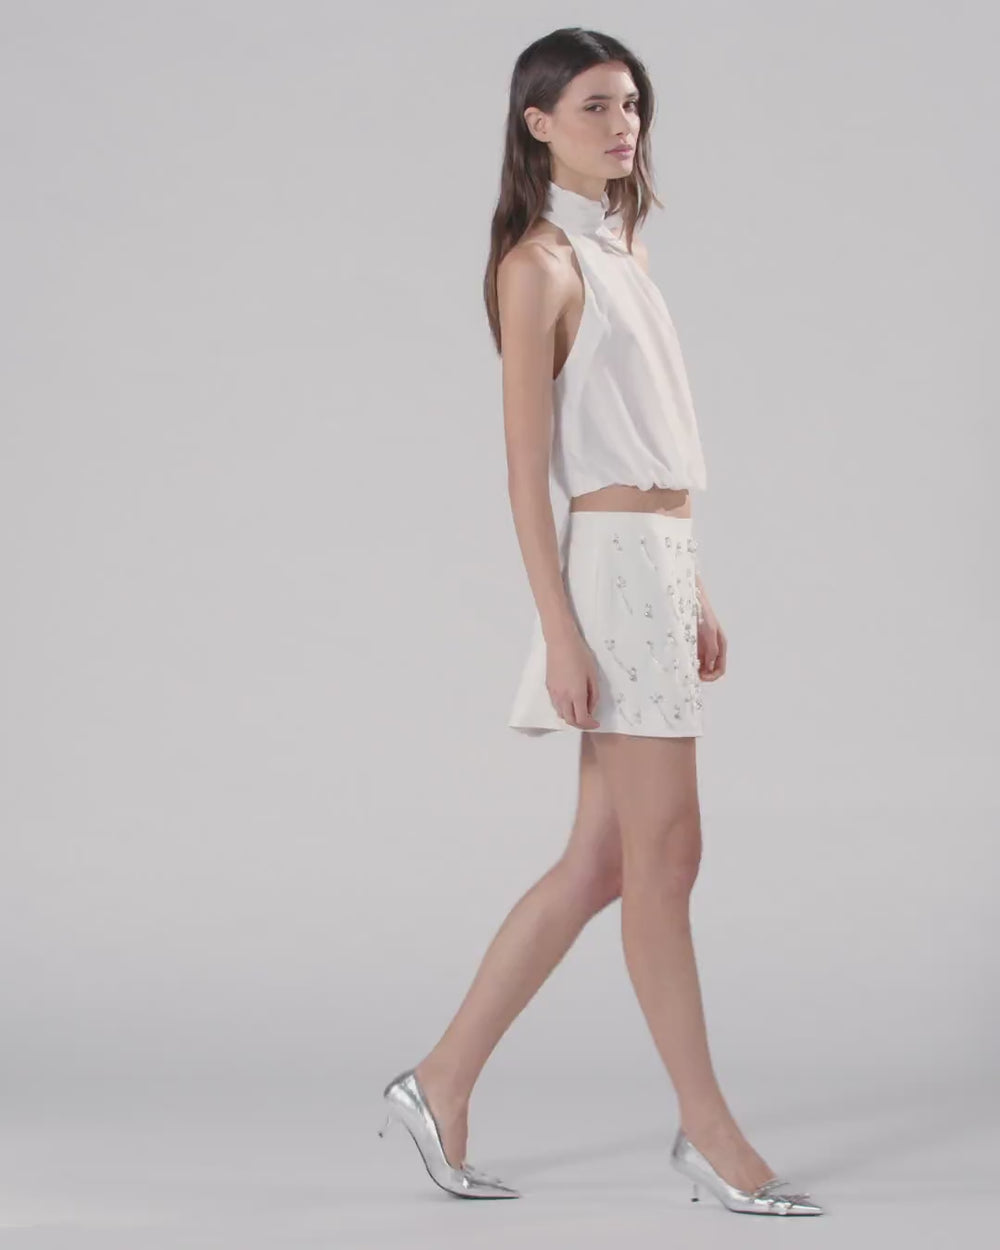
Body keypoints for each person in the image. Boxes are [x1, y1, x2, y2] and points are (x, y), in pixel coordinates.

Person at [378, 27, 825, 1217]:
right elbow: (528, 471)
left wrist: (696, 586)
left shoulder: (622, 247)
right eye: (593, 105)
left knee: (602, 861)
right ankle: (708, 1130)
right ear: (536, 124)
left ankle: (437, 1080)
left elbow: (650, 439)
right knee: (665, 857)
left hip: (660, 564)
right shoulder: (537, 266)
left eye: (630, 103)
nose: (622, 124)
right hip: (610, 574)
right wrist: (561, 629)